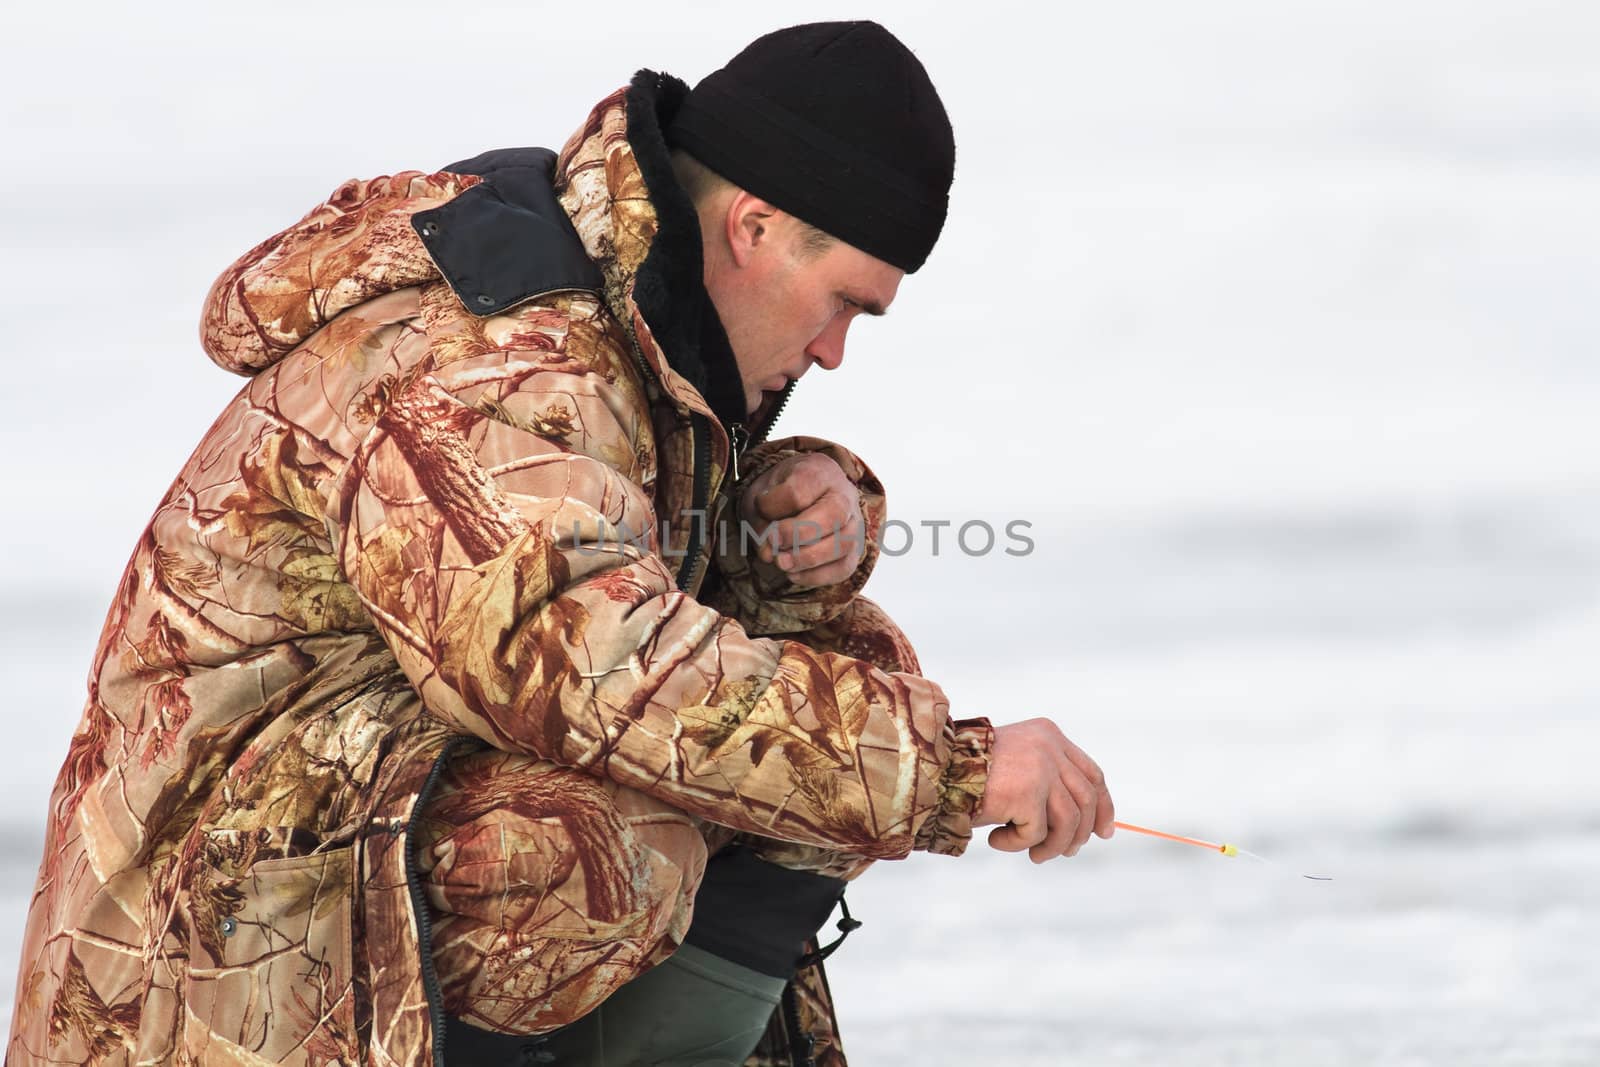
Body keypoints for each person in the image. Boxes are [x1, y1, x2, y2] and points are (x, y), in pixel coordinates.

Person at [6, 20, 1113, 1067]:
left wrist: (778, 508)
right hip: (195, 946)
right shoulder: (502, 352)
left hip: (337, 824)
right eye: (842, 306)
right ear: (756, 224)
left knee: (846, 670)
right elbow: (582, 662)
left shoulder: (627, 315)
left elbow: (579, 552)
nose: (830, 352)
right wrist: (952, 768)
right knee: (598, 845)